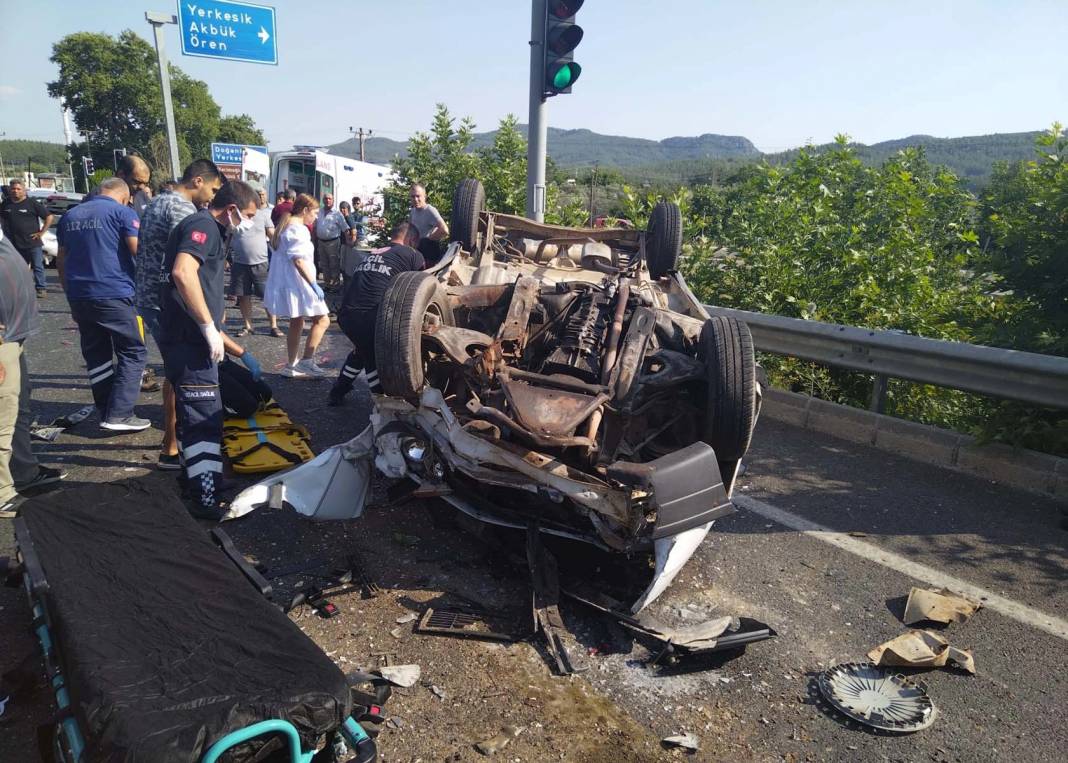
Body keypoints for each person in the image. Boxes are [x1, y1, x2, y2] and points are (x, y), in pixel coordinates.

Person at [158, 180, 262, 519]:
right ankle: (205, 499)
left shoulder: (209, 228)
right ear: (231, 209)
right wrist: (207, 327)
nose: (248, 222)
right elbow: (182, 272)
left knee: (198, 420)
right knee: (204, 421)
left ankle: (203, 482)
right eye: (247, 215)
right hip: (190, 341)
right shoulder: (203, 225)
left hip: (189, 340)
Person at [136, 159, 223, 469]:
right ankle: (177, 446)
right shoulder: (184, 212)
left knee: (174, 373)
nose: (213, 197)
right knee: (184, 376)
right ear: (198, 181)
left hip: (148, 297)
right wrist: (207, 322)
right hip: (169, 302)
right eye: (213, 189)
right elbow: (185, 269)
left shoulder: (157, 201)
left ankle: (173, 444)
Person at [56, 177, 150, 432]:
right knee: (133, 351)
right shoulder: (122, 212)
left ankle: (105, 407)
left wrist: (70, 295)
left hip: (79, 295)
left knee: (96, 354)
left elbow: (61, 260)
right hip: (116, 294)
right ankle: (119, 414)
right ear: (124, 196)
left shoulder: (70, 216)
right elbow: (138, 251)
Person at [0, 229, 66, 518]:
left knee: (19, 408)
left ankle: (23, 472)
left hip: (14, 338)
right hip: (3, 345)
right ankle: (2, 494)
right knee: (3, 416)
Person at [328, 221, 424, 406]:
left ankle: (338, 391)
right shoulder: (413, 254)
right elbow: (420, 288)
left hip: (346, 314)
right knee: (371, 358)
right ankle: (382, 402)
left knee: (362, 352)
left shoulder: (378, 251)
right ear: (412, 239)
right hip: (369, 316)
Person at [263, 194, 331, 378]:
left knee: (297, 322)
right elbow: (299, 261)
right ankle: (307, 361)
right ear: (305, 210)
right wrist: (313, 284)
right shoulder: (298, 229)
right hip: (300, 283)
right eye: (315, 212)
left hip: (291, 282)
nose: (316, 217)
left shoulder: (286, 225)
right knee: (323, 320)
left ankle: (291, 365)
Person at [229, 186, 280, 337]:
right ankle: (248, 326)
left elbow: (272, 236)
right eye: (257, 195)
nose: (259, 197)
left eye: (261, 195)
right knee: (243, 296)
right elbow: (228, 237)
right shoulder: (236, 215)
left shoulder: (264, 215)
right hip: (239, 262)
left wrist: (282, 252)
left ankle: (274, 326)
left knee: (267, 296)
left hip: (260, 263)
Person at [0, 179, 52, 297]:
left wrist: (41, 233)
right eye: (13, 189)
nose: (15, 191)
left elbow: (49, 217)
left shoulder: (32, 203)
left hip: (32, 242)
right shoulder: (5, 204)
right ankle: (20, 289)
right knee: (17, 268)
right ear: (9, 190)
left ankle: (41, 288)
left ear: (24, 190)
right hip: (13, 243)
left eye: (18, 189)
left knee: (37, 266)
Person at [314, 193, 350, 291]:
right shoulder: (319, 212)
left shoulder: (337, 214)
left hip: (333, 242)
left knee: (334, 264)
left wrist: (349, 242)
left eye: (330, 199)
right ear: (323, 200)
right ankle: (327, 284)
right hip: (321, 242)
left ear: (333, 201)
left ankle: (335, 285)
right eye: (326, 199)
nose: (327, 200)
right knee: (324, 264)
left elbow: (345, 228)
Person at [408, 183, 449, 266]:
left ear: (425, 196)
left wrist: (428, 239)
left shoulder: (430, 210)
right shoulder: (413, 211)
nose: (415, 199)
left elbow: (445, 230)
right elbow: (410, 229)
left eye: (418, 196)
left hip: (429, 254)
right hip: (417, 251)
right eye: (413, 196)